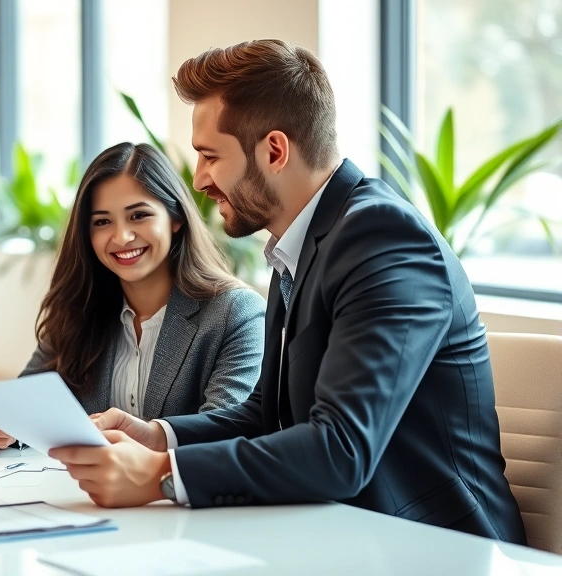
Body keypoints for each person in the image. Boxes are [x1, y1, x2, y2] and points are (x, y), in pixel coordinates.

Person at [49, 40, 526, 544]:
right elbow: (267, 415)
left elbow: (341, 449)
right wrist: (160, 436)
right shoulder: (299, 243)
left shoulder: (384, 240)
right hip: (340, 535)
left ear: (274, 150)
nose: (200, 179)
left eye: (210, 156)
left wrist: (159, 473)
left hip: (438, 548)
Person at [0, 142, 265, 455]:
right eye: (102, 221)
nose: (121, 237)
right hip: (80, 497)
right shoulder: (79, 307)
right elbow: (28, 406)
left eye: (138, 215)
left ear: (175, 218)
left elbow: (227, 432)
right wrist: (0, 426)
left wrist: (152, 439)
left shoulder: (235, 312)